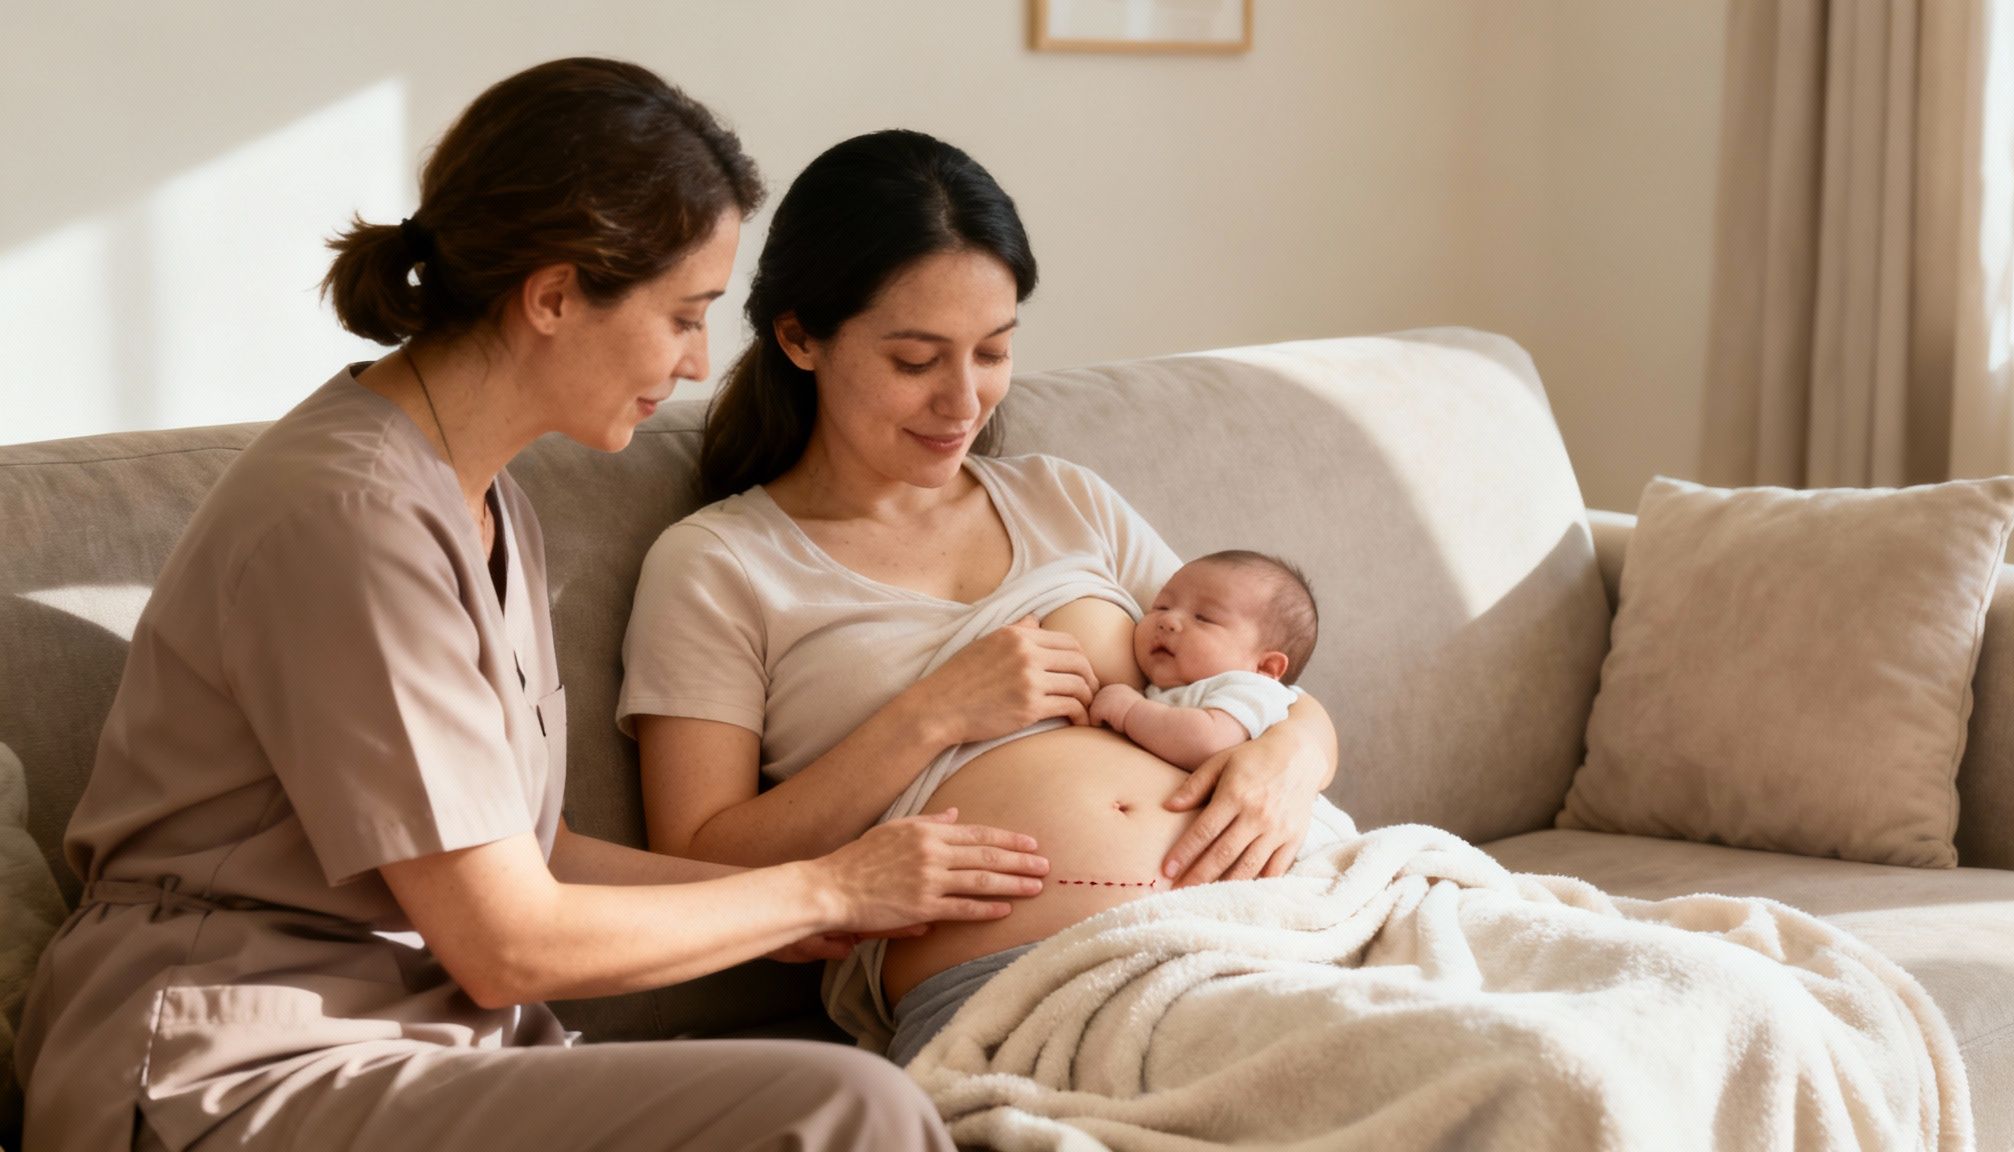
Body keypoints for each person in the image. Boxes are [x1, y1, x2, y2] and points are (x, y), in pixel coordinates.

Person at [15, 60, 1050, 1152]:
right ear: (554, 295)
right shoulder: (350, 517)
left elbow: (532, 854)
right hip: (225, 1070)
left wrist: (766, 916)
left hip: (419, 1046)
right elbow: (507, 942)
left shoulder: (489, 495)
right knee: (853, 1106)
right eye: (684, 315)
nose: (699, 365)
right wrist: (821, 891)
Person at [619, 129, 1342, 1060]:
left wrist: (1292, 760)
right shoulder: (719, 562)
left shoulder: (1064, 496)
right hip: (1035, 989)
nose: (965, 403)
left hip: (1284, 909)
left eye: (993, 352)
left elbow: (1270, 679)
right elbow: (698, 864)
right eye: (917, 362)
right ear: (800, 336)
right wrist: (929, 716)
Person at [1088, 550, 1324, 769]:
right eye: (1161, 606)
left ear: (1265, 667)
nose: (1168, 620)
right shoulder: (1165, 691)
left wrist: (1130, 711)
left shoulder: (1253, 690)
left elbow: (1208, 742)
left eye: (1204, 618)